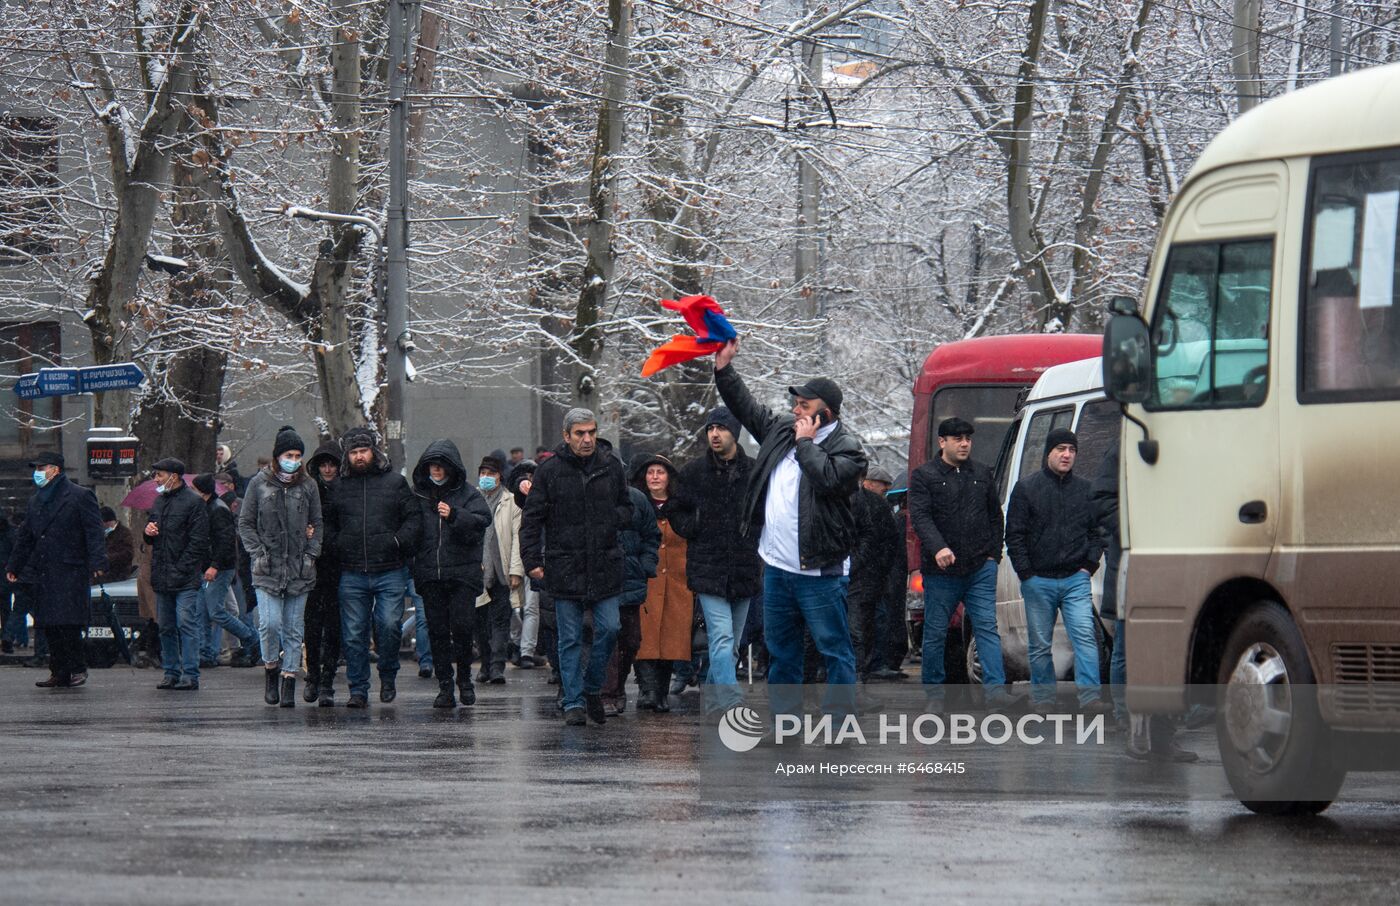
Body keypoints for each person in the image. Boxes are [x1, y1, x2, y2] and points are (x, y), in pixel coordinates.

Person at [712, 339, 866, 696]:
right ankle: (786, 726)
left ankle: (840, 724)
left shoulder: (849, 450)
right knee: (781, 653)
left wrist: (807, 443)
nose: (796, 411)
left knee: (834, 651)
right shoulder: (783, 430)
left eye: (804, 405)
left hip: (819, 572)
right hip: (778, 568)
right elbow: (746, 408)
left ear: (826, 413)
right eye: (794, 404)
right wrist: (724, 369)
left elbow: (827, 479)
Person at [520, 408, 631, 726]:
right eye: (580, 433)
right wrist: (532, 561)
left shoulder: (611, 466)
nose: (587, 439)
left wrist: (613, 520)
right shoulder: (550, 470)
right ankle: (573, 702)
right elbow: (532, 518)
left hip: (604, 563)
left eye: (591, 432)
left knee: (610, 629)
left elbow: (626, 506)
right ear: (566, 436)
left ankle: (591, 687)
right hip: (564, 564)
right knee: (568, 638)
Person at [1092, 441, 1198, 762]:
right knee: (1127, 647)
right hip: (1133, 561)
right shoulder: (1122, 447)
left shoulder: (1187, 447)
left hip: (1174, 560)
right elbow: (1101, 501)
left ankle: (1165, 734)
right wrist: (1139, 529)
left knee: (1169, 650)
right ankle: (1132, 728)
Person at [908, 417, 1014, 707]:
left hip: (980, 566)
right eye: (958, 439)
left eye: (968, 438)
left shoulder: (981, 473)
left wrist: (993, 556)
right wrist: (938, 547)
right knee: (935, 632)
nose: (965, 443)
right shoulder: (924, 476)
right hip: (941, 571)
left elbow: (995, 517)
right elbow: (920, 516)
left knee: (986, 628)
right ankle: (935, 695)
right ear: (943, 442)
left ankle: (995, 692)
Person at [1005, 428, 1109, 713]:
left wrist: (1088, 566)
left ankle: (1090, 698)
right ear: (1048, 452)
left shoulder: (1086, 490)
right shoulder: (1027, 489)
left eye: (1072, 450)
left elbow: (1097, 532)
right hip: (1038, 579)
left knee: (1085, 637)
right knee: (1040, 644)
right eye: (1061, 448)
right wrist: (1026, 572)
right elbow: (1014, 534)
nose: (1067, 454)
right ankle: (1043, 699)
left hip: (1075, 578)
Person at [668, 407, 762, 712]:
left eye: (721, 428)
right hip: (708, 567)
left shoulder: (753, 471)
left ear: (734, 432)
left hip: (744, 567)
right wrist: (694, 526)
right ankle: (729, 700)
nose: (714, 434)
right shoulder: (695, 472)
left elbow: (766, 511)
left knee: (732, 642)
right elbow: (676, 509)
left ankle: (713, 696)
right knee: (721, 637)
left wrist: (754, 532)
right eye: (710, 429)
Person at [329, 426, 420, 708]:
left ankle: (388, 675)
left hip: (389, 568)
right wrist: (339, 543)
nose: (359, 456)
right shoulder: (339, 487)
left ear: (373, 452)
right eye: (354, 452)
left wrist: (396, 542)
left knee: (389, 625)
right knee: (354, 633)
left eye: (363, 451)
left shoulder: (394, 483)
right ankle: (358, 688)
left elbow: (412, 519)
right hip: (351, 569)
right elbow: (327, 523)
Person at [5, 452, 108, 689]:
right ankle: (58, 670)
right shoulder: (36, 500)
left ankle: (77, 668)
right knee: (49, 623)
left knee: (69, 623)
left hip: (70, 567)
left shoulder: (80, 496)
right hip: (44, 569)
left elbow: (94, 531)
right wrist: (14, 565)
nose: (38, 472)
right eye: (37, 467)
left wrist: (98, 562)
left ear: (56, 470)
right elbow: (26, 537)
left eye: (42, 467)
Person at [238, 427, 323, 707]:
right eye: (289, 454)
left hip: (300, 568)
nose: (294, 460)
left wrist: (311, 554)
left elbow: (317, 523)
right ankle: (271, 668)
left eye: (298, 455)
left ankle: (289, 680)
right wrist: (258, 553)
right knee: (269, 623)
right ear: (278, 455)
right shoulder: (259, 484)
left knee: (294, 628)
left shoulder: (308, 486)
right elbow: (246, 523)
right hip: (267, 567)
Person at [411, 440, 492, 708]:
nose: (436, 470)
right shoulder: (419, 496)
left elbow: (481, 522)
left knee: (462, 628)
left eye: (441, 465)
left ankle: (465, 680)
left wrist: (455, 515)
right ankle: (445, 685)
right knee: (437, 631)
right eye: (432, 465)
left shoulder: (468, 494)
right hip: (430, 574)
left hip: (461, 575)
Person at [628, 453, 691, 714]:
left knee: (671, 638)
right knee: (645, 637)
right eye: (650, 472)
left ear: (669, 477)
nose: (655, 477)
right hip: (647, 580)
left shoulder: (682, 507)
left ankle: (661, 691)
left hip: (678, 582)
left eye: (660, 472)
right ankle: (647, 689)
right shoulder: (636, 505)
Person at [145, 458, 210, 691]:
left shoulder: (193, 503)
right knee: (166, 626)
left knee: (186, 623)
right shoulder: (159, 502)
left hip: (185, 577)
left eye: (159, 475)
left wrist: (183, 567)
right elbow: (151, 532)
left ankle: (190, 673)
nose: (156, 480)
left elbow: (198, 540)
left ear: (174, 475)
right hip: (163, 575)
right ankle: (171, 671)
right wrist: (148, 531)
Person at [600, 473, 660, 714]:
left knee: (631, 640)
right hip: (603, 581)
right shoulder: (593, 497)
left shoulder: (637, 499)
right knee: (608, 636)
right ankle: (608, 692)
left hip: (631, 579)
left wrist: (646, 564)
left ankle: (618, 685)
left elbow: (651, 535)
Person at [192, 474, 260, 669]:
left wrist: (214, 565)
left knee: (215, 611)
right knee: (203, 612)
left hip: (219, 569)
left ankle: (250, 638)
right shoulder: (209, 508)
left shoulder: (217, 510)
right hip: (209, 567)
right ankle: (205, 652)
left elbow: (225, 542)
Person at [848, 466, 903, 683]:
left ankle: (858, 671)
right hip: (869, 574)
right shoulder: (876, 505)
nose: (886, 490)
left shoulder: (870, 503)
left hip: (861, 573)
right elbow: (888, 540)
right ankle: (865, 669)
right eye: (883, 486)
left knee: (860, 624)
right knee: (866, 623)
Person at [475, 455, 523, 685]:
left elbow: (516, 539)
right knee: (480, 623)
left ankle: (497, 667)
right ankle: (484, 664)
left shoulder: (512, 502)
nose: (485, 478)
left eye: (490, 474)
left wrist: (516, 570)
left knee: (501, 622)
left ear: (500, 476)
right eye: (482, 473)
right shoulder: (472, 499)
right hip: (478, 573)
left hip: (502, 572)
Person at [304, 441, 343, 704]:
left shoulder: (345, 491)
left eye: (332, 464)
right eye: (324, 465)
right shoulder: (309, 491)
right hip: (313, 565)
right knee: (312, 626)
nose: (328, 469)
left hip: (338, 564)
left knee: (334, 626)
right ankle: (313, 676)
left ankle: (327, 678)